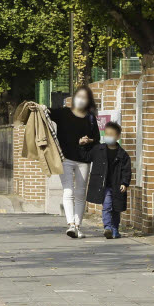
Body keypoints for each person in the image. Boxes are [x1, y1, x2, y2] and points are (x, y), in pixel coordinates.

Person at [31, 85, 100, 238]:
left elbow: (97, 139)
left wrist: (87, 141)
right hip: (66, 159)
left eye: (84, 97)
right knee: (68, 191)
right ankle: (71, 225)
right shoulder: (63, 113)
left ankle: (77, 225)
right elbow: (46, 111)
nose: (81, 100)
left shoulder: (90, 118)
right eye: (79, 96)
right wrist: (36, 106)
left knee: (81, 193)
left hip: (84, 160)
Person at [86, 121, 132, 239]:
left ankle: (115, 229)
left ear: (117, 136)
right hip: (104, 185)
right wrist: (83, 144)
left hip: (117, 185)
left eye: (111, 134)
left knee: (116, 208)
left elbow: (126, 170)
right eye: (106, 134)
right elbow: (86, 156)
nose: (108, 136)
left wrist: (124, 183)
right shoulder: (99, 149)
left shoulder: (123, 154)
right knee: (107, 206)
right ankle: (107, 227)